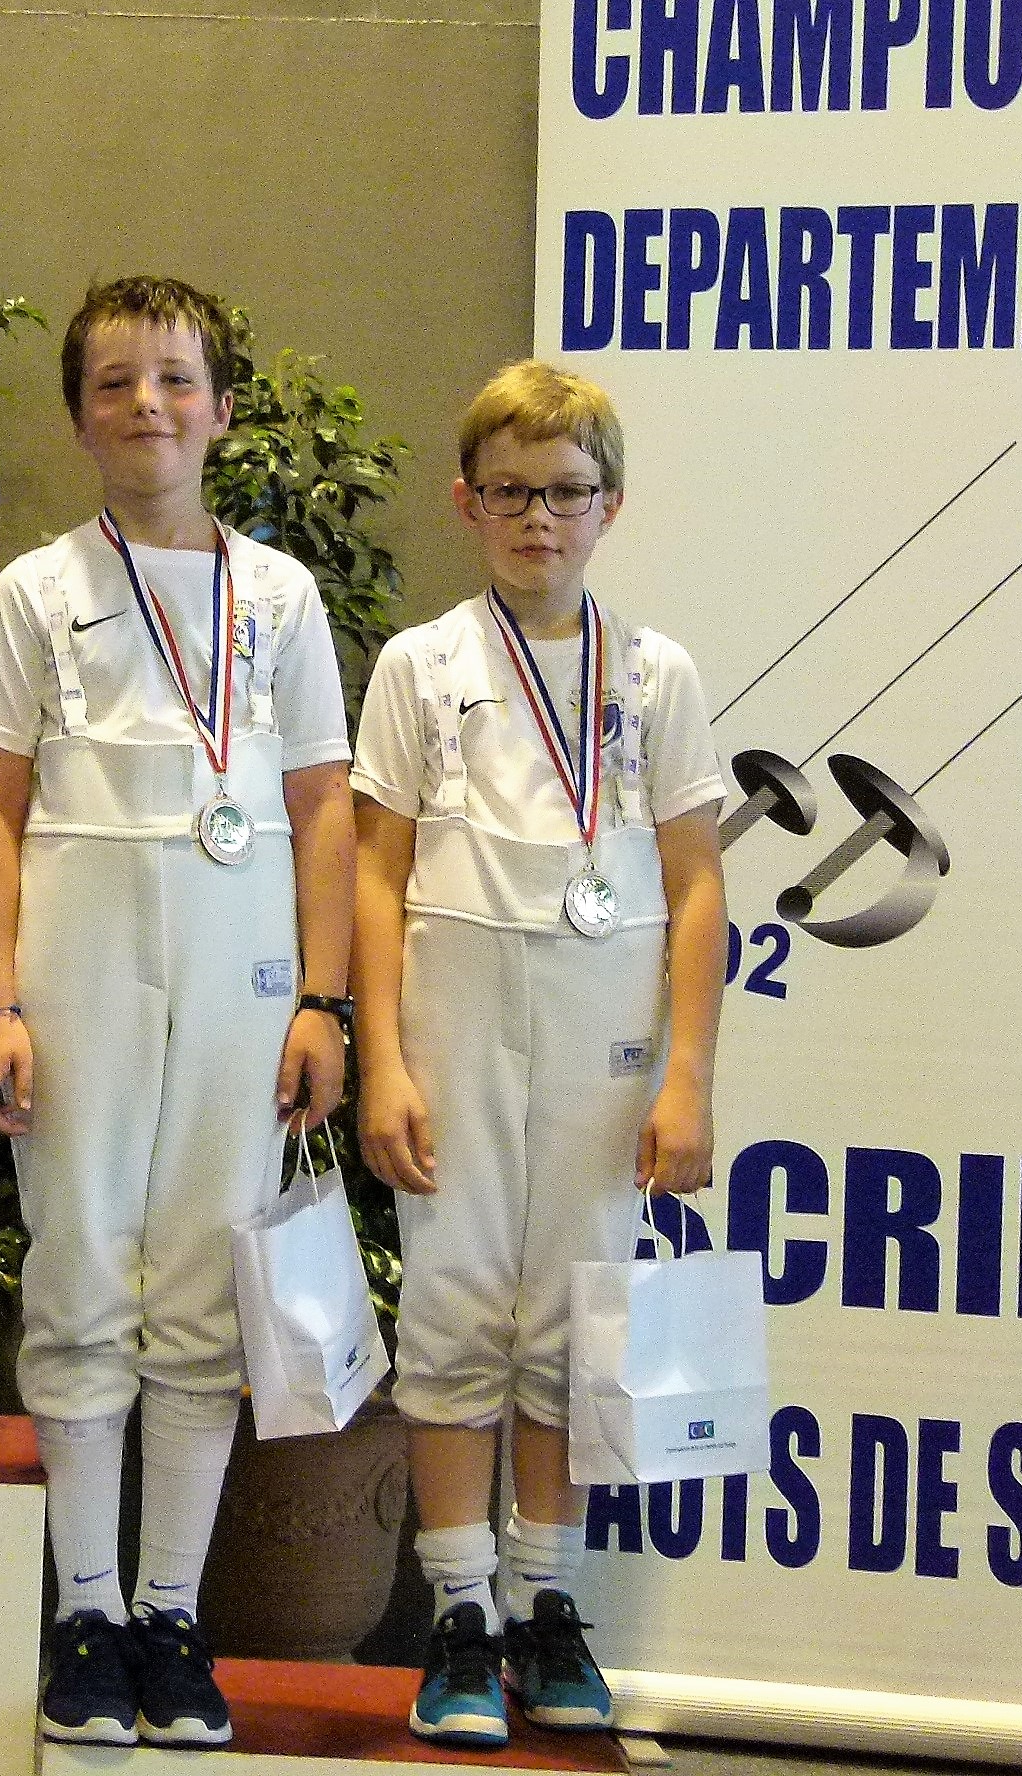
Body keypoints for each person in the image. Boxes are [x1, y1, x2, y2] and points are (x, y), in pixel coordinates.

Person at [0, 277, 355, 1749]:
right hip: (80, 977)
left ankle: (171, 1614)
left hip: (246, 979)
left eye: (177, 379)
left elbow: (323, 807)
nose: (149, 406)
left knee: (200, 1292)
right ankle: (85, 1609)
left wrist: (323, 1000)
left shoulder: (284, 597)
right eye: (116, 383)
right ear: (78, 417)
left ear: (223, 409)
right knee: (78, 1271)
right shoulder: (37, 590)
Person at [349, 360, 725, 1746]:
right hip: (453, 1020)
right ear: (466, 503)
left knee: (578, 1311)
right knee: (455, 1307)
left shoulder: (656, 674)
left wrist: (688, 1079)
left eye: (565, 494)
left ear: (609, 505)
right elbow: (375, 874)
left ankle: (544, 1599)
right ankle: (459, 1612)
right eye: (508, 493)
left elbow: (697, 883)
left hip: (605, 1028)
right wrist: (381, 1060)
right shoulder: (421, 666)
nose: (537, 520)